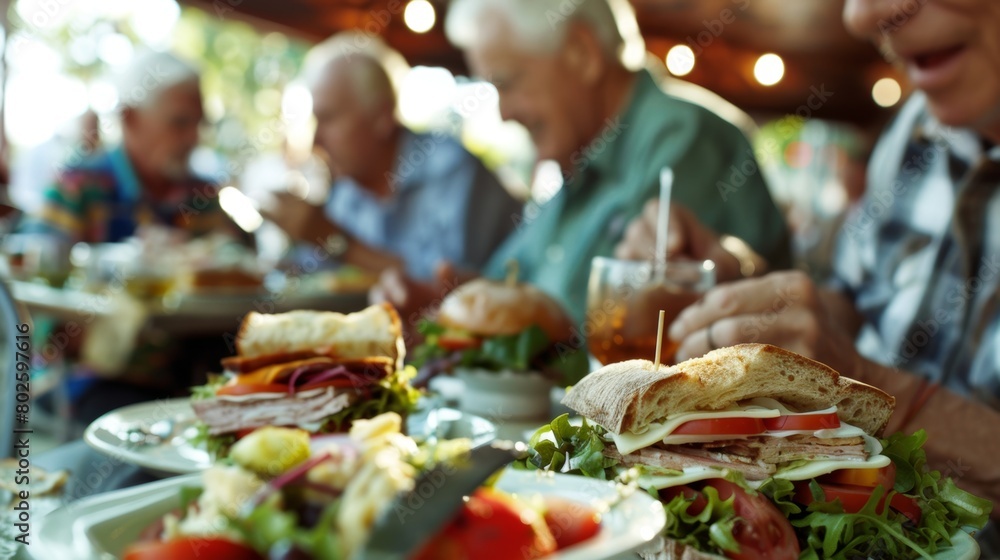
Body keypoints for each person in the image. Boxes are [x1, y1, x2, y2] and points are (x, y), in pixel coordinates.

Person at [616, 0, 1000, 541]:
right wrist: (739, 289)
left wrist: (881, 392)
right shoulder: (915, 131)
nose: (862, 17)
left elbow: (853, 360)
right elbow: (849, 300)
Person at [375, 0, 789, 328]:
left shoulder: (686, 136)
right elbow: (508, 285)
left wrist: (509, 320)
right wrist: (448, 303)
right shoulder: (579, 161)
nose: (503, 113)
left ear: (582, 52)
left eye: (507, 82)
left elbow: (628, 330)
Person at [263, 33, 521, 281]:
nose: (316, 139)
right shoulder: (346, 193)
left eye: (329, 118)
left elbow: (451, 287)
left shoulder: (451, 170)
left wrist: (335, 241)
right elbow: (318, 278)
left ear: (382, 116)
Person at [23, 52, 229, 244]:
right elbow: (32, 267)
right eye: (180, 122)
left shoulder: (202, 196)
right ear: (129, 118)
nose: (194, 138)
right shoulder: (75, 188)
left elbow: (238, 261)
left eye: (200, 123)